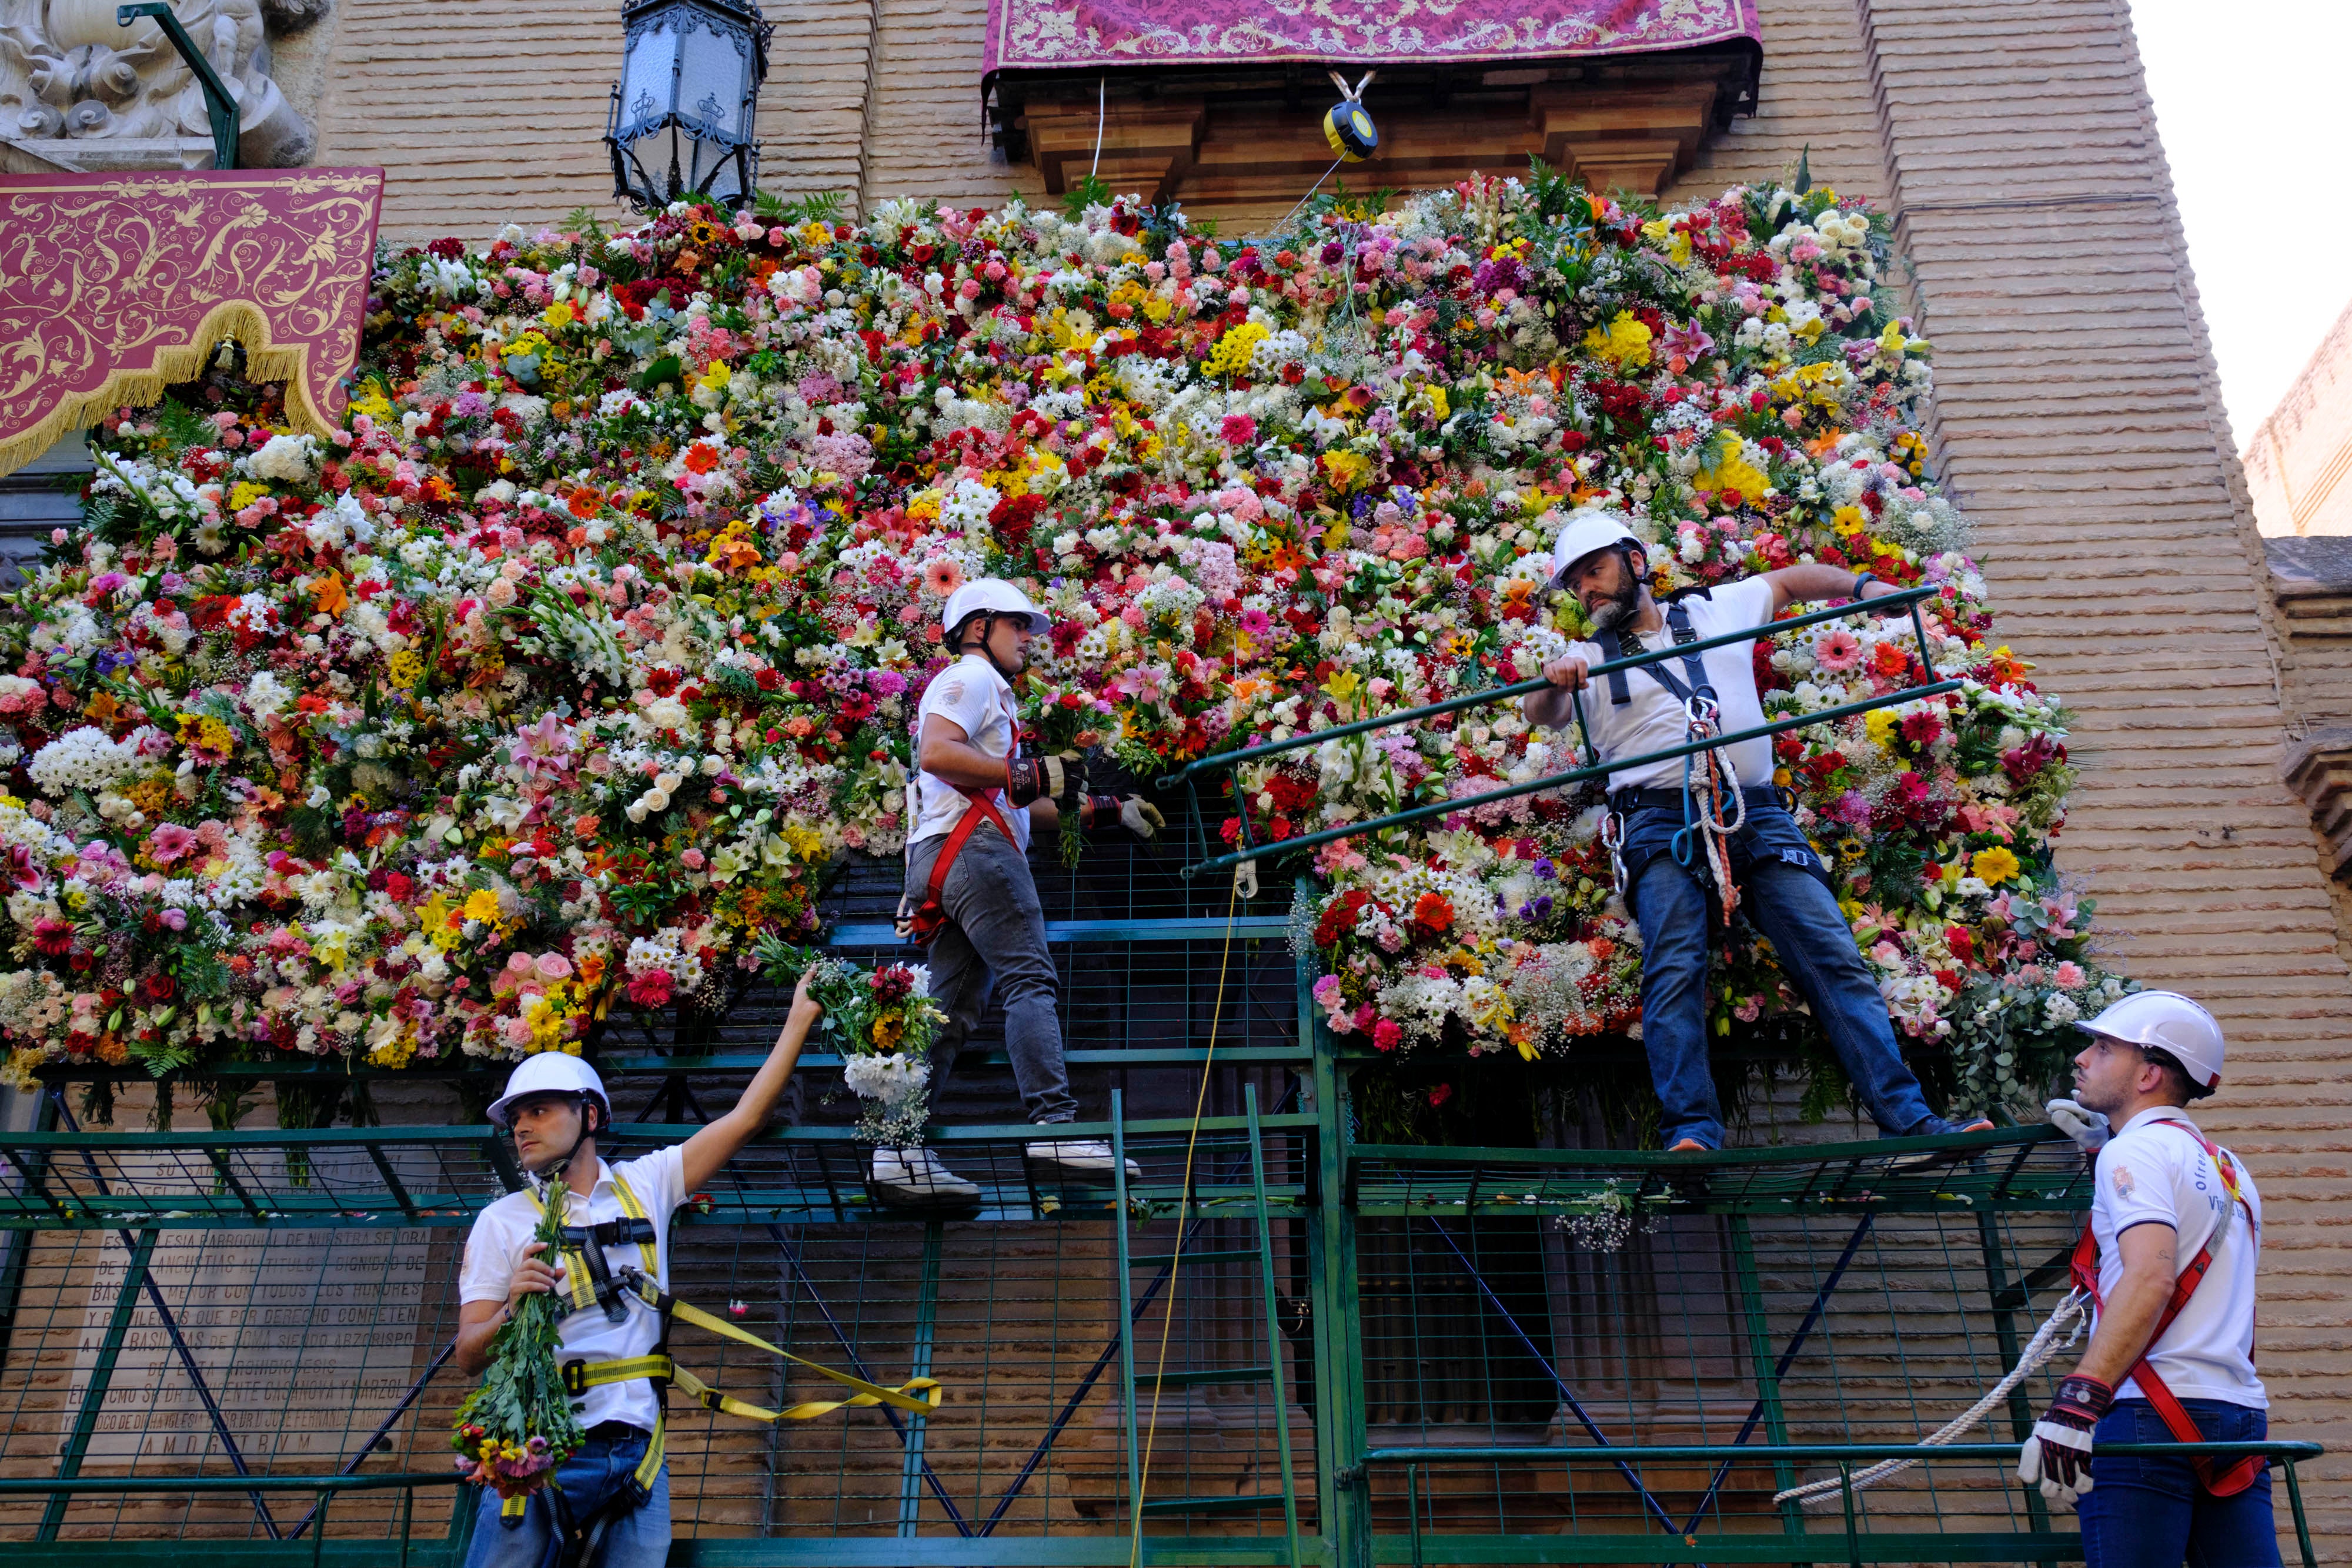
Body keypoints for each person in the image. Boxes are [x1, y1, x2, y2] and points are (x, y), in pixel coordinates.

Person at [1523, 507, 1989, 1152]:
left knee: (1833, 959)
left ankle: (1910, 1123)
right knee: (1675, 968)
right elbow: (1541, 710)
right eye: (1574, 584)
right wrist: (1555, 682)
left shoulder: (1715, 609)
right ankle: (1691, 1133)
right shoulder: (1586, 656)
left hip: (1756, 811)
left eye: (1594, 571)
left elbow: (1791, 582)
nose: (1586, 591)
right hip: (1656, 822)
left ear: (1634, 562)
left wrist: (1862, 588)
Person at [453, 971, 821, 1568]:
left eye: (540, 1111)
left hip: (636, 1450)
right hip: (535, 1452)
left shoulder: (646, 1184)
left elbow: (746, 1118)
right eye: (516, 1116)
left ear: (590, 1117)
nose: (520, 1127)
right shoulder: (500, 1221)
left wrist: (800, 1018)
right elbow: (468, 1354)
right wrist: (511, 1311)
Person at [880, 577, 1161, 1204]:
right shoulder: (972, 679)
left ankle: (895, 1147)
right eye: (1018, 625)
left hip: (952, 853)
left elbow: (1019, 805)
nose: (1028, 638)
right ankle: (1054, 1128)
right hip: (975, 856)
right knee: (1029, 980)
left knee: (948, 1013)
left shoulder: (989, 693)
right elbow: (936, 753)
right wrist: (1025, 769)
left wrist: (1110, 812)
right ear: (978, 626)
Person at [2022, 991, 2276, 1566]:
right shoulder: (2230, 1168)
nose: (2083, 1058)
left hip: (2145, 1417)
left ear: (2149, 1073)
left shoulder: (2133, 1154)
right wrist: (2100, 1149)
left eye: (2104, 1047)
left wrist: (2076, 1403)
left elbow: (2151, 1277)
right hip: (2237, 1418)